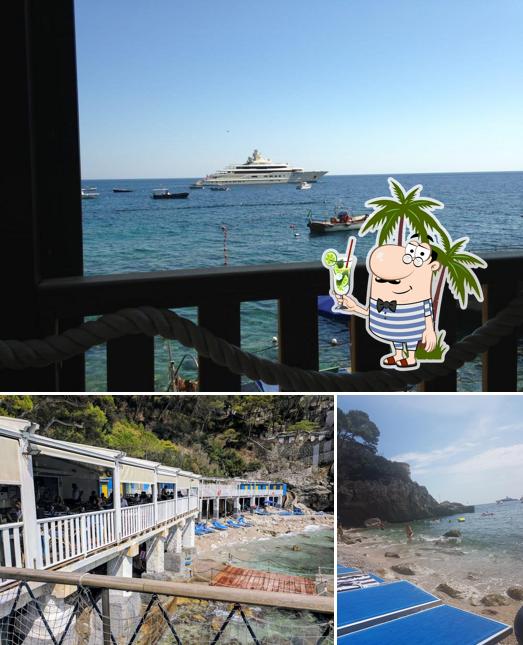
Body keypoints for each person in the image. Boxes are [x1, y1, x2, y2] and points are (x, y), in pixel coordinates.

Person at [338, 236, 441, 369]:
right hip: (392, 329)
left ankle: (410, 357)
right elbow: (372, 313)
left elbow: (427, 312)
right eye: (380, 280)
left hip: (412, 327)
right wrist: (355, 307)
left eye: (395, 281)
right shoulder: (381, 300)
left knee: (409, 337)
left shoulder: (421, 298)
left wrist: (430, 330)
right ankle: (398, 354)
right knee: (397, 337)